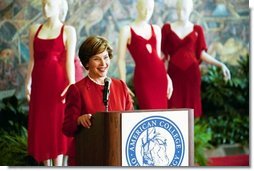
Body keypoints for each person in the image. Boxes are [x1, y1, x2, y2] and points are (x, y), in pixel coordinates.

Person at [62, 36, 134, 166]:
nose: (103, 63)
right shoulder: (77, 90)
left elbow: (131, 121)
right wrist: (79, 120)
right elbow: (67, 128)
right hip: (87, 155)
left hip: (117, 156)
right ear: (87, 63)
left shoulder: (121, 87)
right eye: (96, 59)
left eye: (105, 57)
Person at [25, 0, 79, 166]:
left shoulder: (68, 31)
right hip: (40, 87)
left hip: (57, 87)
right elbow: (32, 60)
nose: (45, 8)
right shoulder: (35, 30)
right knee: (42, 128)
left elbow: (69, 61)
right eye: (43, 5)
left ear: (59, 7)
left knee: (56, 127)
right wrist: (27, 82)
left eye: (49, 5)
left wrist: (71, 84)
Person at [161, 0, 231, 117]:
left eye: (183, 9)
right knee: (173, 107)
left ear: (190, 10)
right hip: (173, 75)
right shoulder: (167, 29)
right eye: (178, 8)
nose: (180, 12)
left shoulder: (197, 29)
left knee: (190, 110)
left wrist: (220, 64)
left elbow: (201, 54)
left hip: (192, 75)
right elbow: (163, 55)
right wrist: (162, 73)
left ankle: (191, 134)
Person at [117, 0, 173, 110]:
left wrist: (167, 77)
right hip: (143, 77)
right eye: (144, 8)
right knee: (149, 110)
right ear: (137, 7)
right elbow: (121, 60)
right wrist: (123, 83)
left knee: (162, 112)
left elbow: (157, 57)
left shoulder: (156, 29)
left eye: (150, 9)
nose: (147, 12)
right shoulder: (126, 30)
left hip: (160, 76)